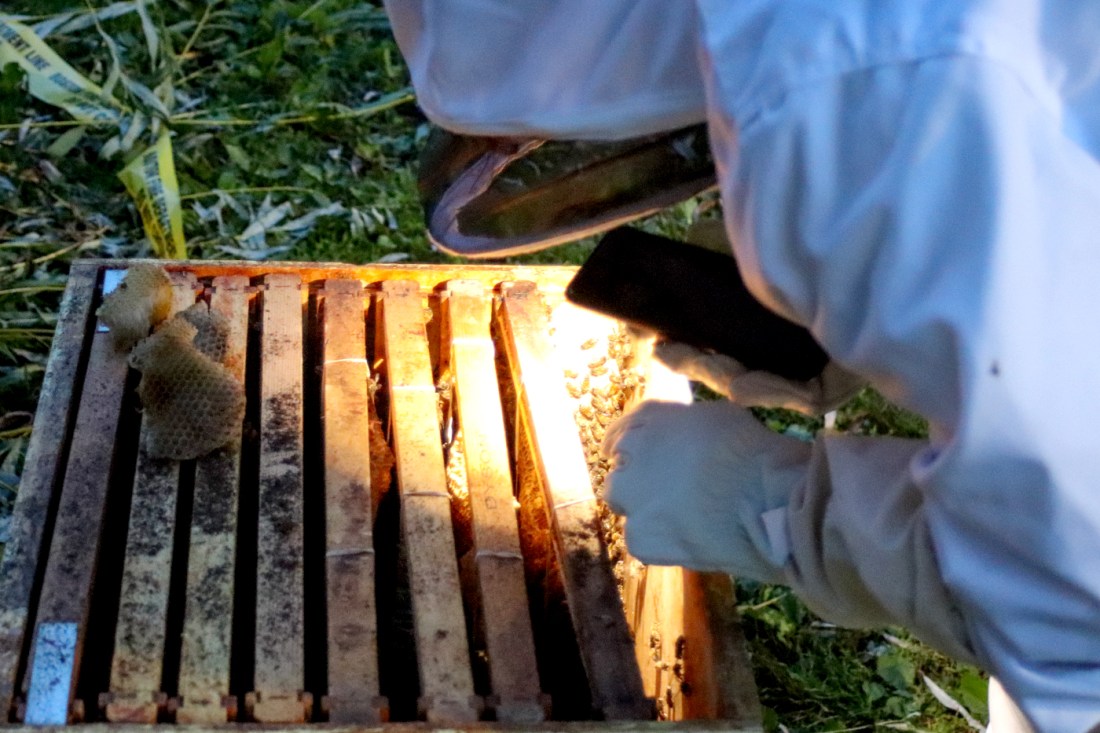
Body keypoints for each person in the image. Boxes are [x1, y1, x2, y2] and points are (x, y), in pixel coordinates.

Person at [381, 2, 1100, 730]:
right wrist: (833, 297)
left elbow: (1075, 599)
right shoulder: (877, 72)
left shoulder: (876, 96)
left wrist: (781, 511)